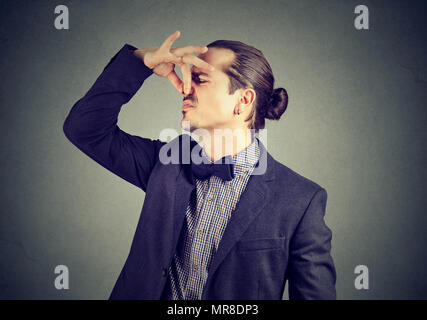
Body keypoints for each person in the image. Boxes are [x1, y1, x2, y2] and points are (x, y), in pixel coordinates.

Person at [63, 30, 336, 300]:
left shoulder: (301, 200)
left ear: (243, 101)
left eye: (200, 79)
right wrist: (138, 62)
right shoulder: (165, 163)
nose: (184, 87)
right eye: (187, 78)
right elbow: (84, 129)